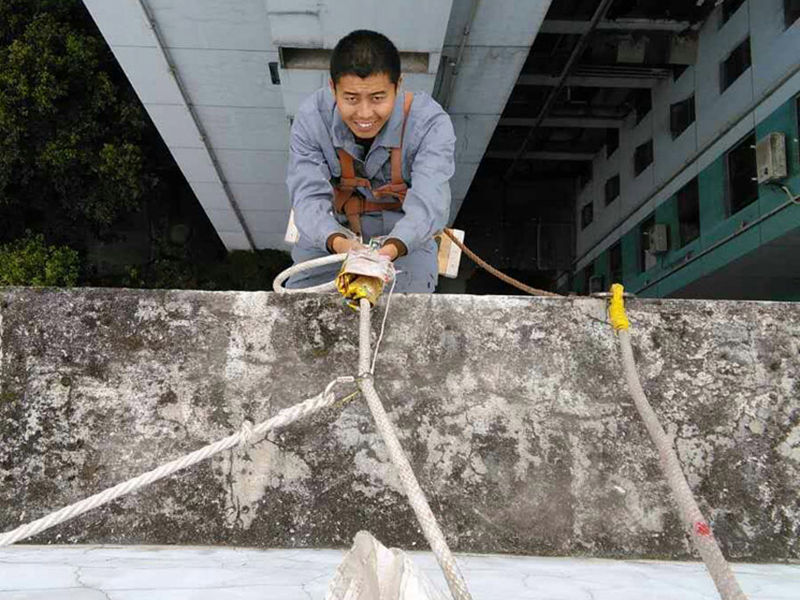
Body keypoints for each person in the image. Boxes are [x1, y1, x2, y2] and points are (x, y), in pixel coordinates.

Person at [285, 29, 456, 293]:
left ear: (398, 86)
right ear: (333, 88)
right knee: (301, 311)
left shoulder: (430, 124)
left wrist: (387, 253)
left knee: (405, 316)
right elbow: (307, 196)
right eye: (351, 98)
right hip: (334, 229)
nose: (364, 114)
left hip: (403, 235)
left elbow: (430, 202)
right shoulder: (312, 119)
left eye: (378, 98)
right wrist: (340, 244)